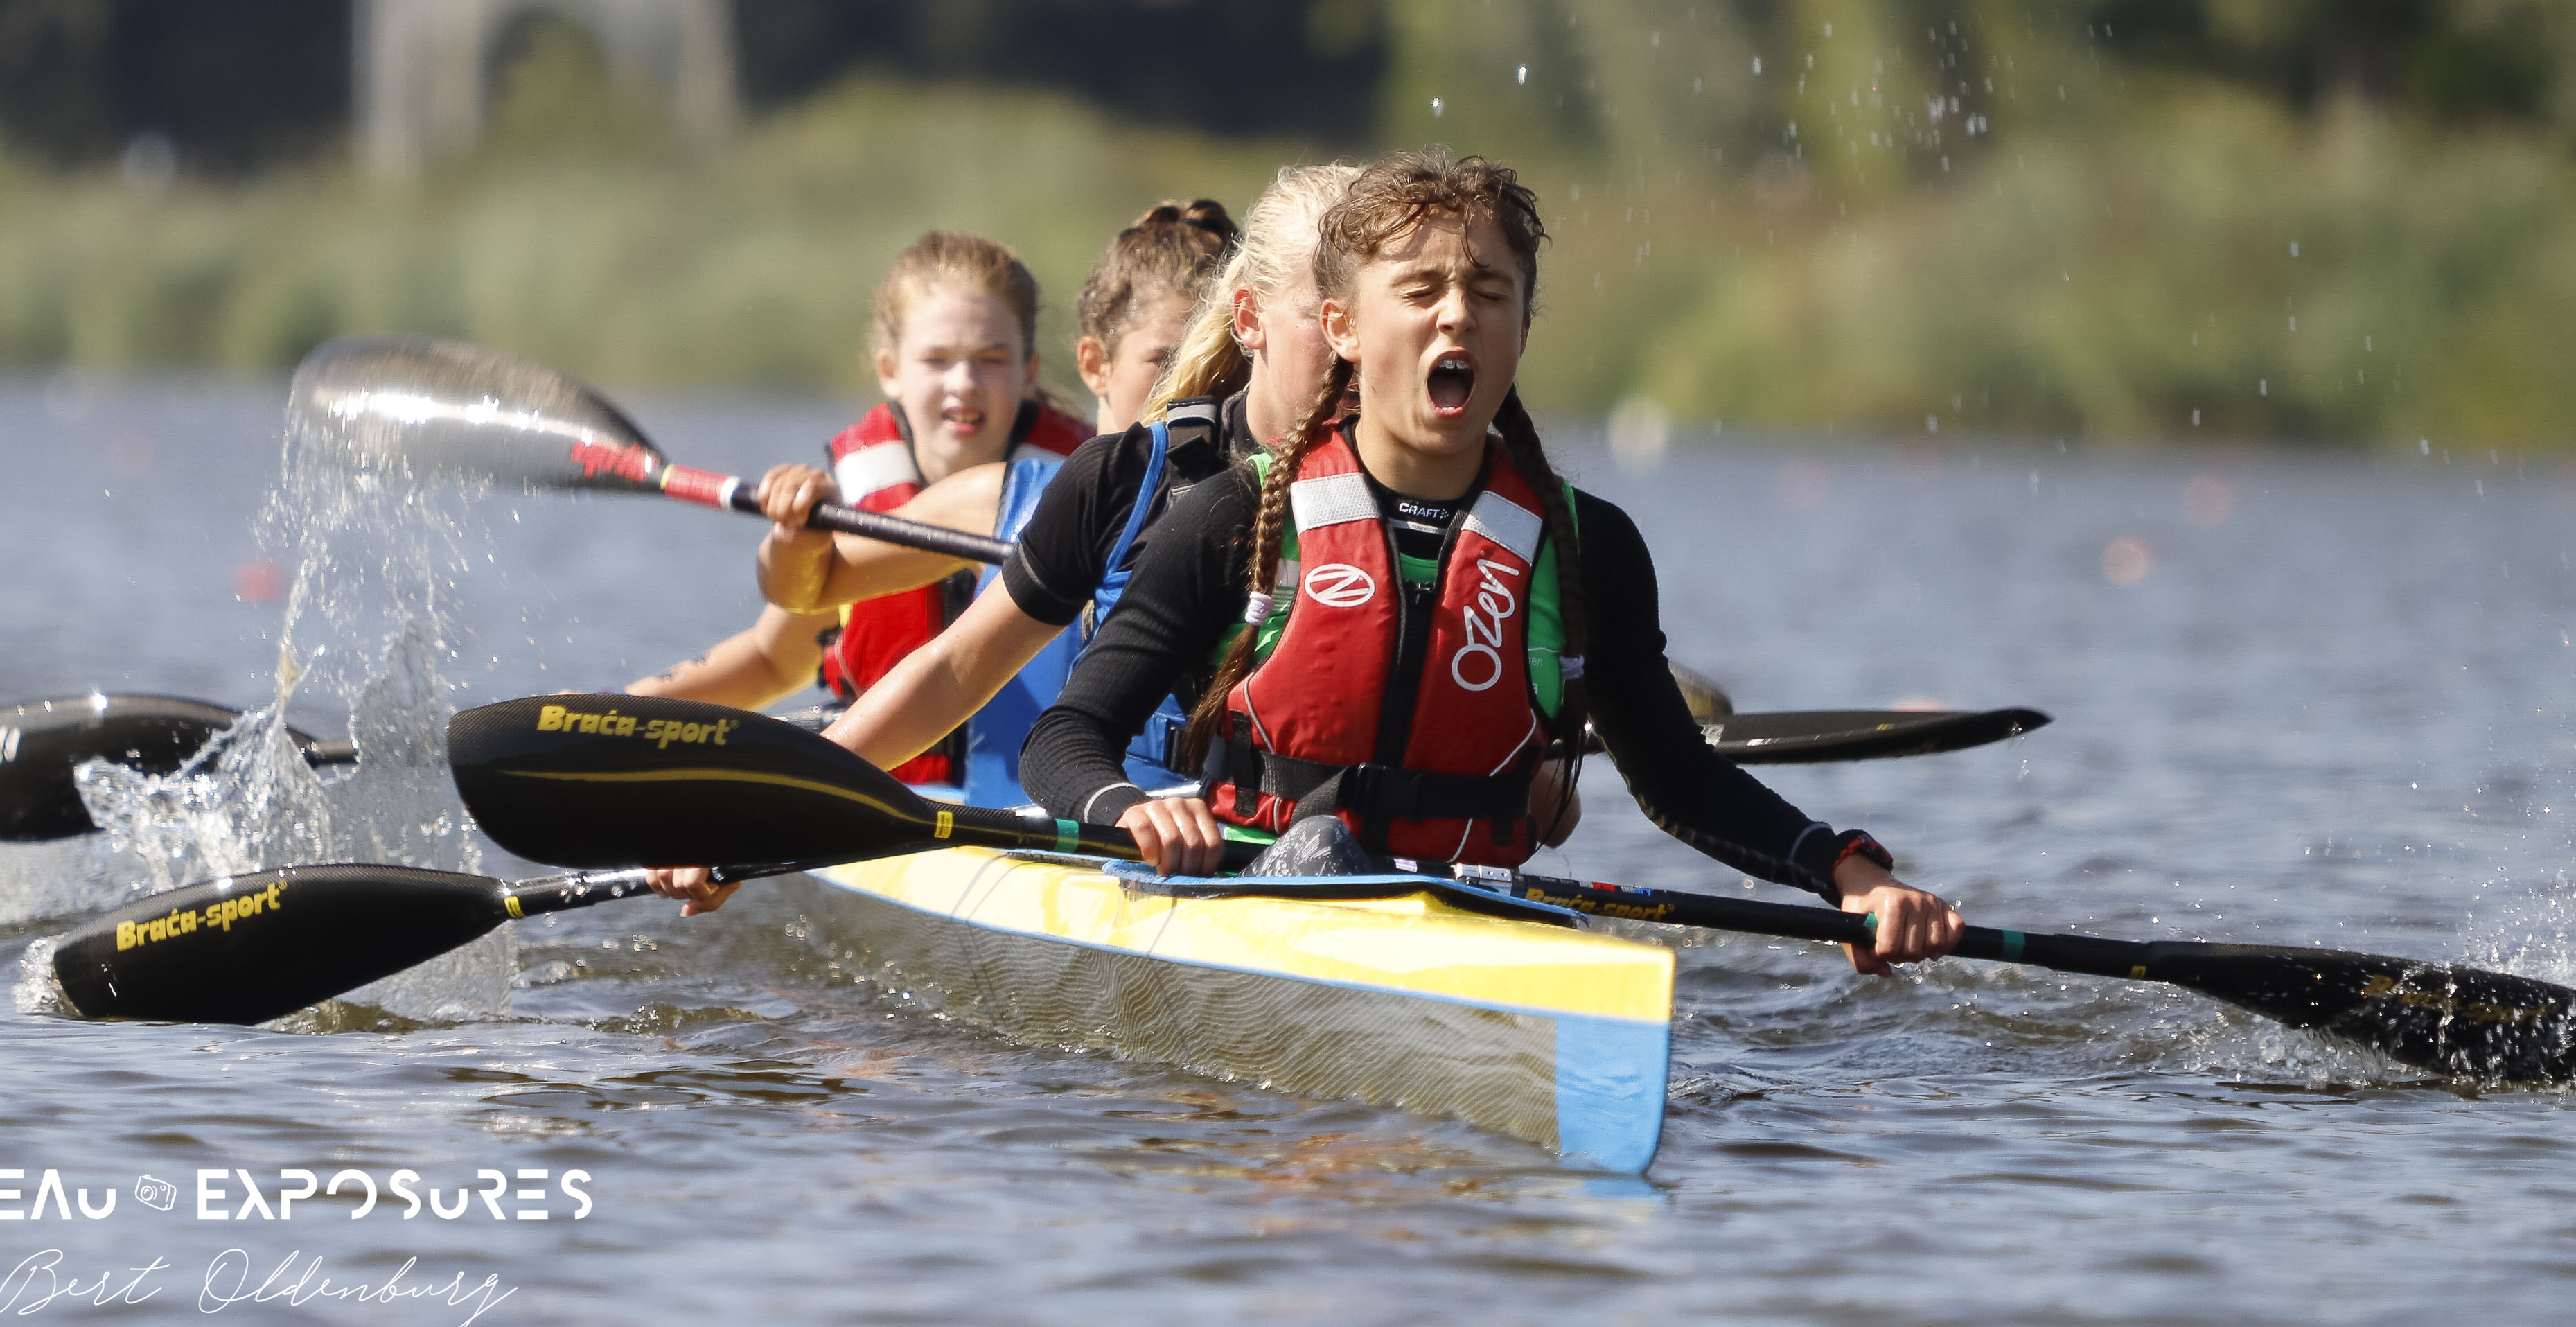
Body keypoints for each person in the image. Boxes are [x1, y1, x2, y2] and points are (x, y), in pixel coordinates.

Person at [1016, 148, 1964, 974]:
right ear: (1343, 328)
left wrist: (1851, 872)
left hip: (1470, 914)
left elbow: (1680, 781)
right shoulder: (1237, 516)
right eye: (1421, 292)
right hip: (1259, 901)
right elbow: (1063, 739)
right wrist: (1128, 808)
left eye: (1490, 293)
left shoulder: (1590, 546)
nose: (1458, 318)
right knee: (1318, 860)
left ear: (1523, 324)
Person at [649, 170, 1351, 914]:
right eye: (1157, 358)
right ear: (1094, 365)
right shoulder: (1077, 487)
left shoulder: (1440, 490)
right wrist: (762, 812)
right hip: (1115, 833)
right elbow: (856, 628)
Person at [626, 231, 1094, 794]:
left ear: (1029, 372)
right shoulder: (854, 499)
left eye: (991, 360)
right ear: (891, 370)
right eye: (937, 360)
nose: (965, 384)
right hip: (881, 792)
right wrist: (617, 713)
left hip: (1038, 804)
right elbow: (772, 662)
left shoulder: (1086, 495)